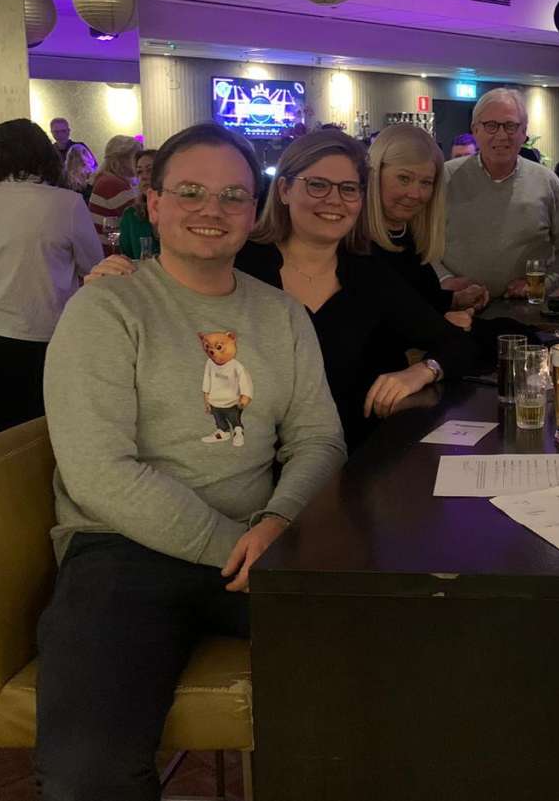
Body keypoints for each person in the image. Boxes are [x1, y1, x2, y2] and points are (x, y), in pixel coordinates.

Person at [35, 123, 344, 801]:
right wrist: (234, 545)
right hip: (123, 551)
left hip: (263, 540)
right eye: (191, 192)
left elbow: (320, 438)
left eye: (233, 196)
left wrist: (277, 521)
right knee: (87, 772)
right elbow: (100, 472)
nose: (213, 209)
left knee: (397, 670)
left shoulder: (283, 315)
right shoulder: (105, 309)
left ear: (253, 211)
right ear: (154, 203)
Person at [91, 129, 476, 447]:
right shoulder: (238, 261)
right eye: (318, 185)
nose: (334, 200)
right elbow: (175, 280)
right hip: (245, 461)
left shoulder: (369, 274)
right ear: (285, 190)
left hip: (354, 462)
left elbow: (460, 346)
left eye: (348, 189)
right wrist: (125, 277)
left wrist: (422, 370)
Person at [0, 120, 104, 443]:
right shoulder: (66, 203)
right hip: (32, 335)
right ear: (44, 153)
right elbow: (95, 268)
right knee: (31, 437)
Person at [438, 88, 559, 300]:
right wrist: (444, 280)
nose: (502, 135)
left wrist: (542, 284)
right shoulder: (445, 178)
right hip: (456, 307)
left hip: (525, 311)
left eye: (511, 126)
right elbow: (421, 243)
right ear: (475, 130)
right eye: (491, 125)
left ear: (524, 132)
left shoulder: (547, 183)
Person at [365, 123, 486, 323]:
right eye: (404, 178)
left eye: (425, 183)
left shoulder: (407, 233)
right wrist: (442, 325)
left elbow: (418, 298)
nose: (415, 194)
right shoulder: (357, 244)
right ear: (374, 174)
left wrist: (455, 300)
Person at [88, 135, 141, 245]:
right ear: (121, 160)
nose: (139, 162)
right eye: (136, 157)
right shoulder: (112, 184)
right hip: (112, 250)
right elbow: (140, 216)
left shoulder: (105, 178)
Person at [118, 148, 158, 260]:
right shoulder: (131, 215)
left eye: (150, 170)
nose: (144, 177)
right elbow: (127, 259)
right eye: (139, 172)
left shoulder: (177, 212)